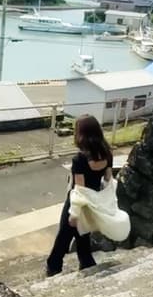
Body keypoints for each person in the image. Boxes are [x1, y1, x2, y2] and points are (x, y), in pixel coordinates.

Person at [46, 114, 113, 277]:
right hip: (93, 201)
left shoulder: (80, 159)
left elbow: (79, 189)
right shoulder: (107, 154)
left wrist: (74, 213)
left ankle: (54, 266)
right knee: (83, 235)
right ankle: (87, 263)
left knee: (64, 235)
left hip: (77, 202)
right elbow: (108, 178)